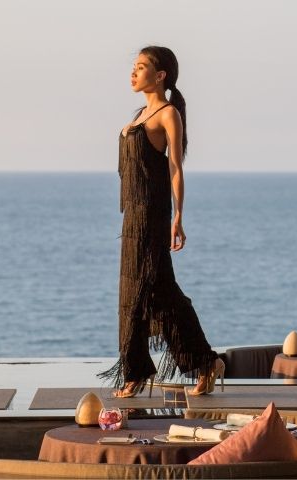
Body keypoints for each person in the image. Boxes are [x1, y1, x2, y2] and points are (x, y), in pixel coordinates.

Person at [99, 45, 224, 398]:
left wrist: (179, 217)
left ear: (161, 75)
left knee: (141, 294)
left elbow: (175, 169)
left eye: (141, 67)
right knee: (155, 294)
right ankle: (206, 362)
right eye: (133, 67)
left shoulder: (168, 114)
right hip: (132, 219)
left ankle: (135, 374)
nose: (133, 73)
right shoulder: (139, 114)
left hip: (153, 217)